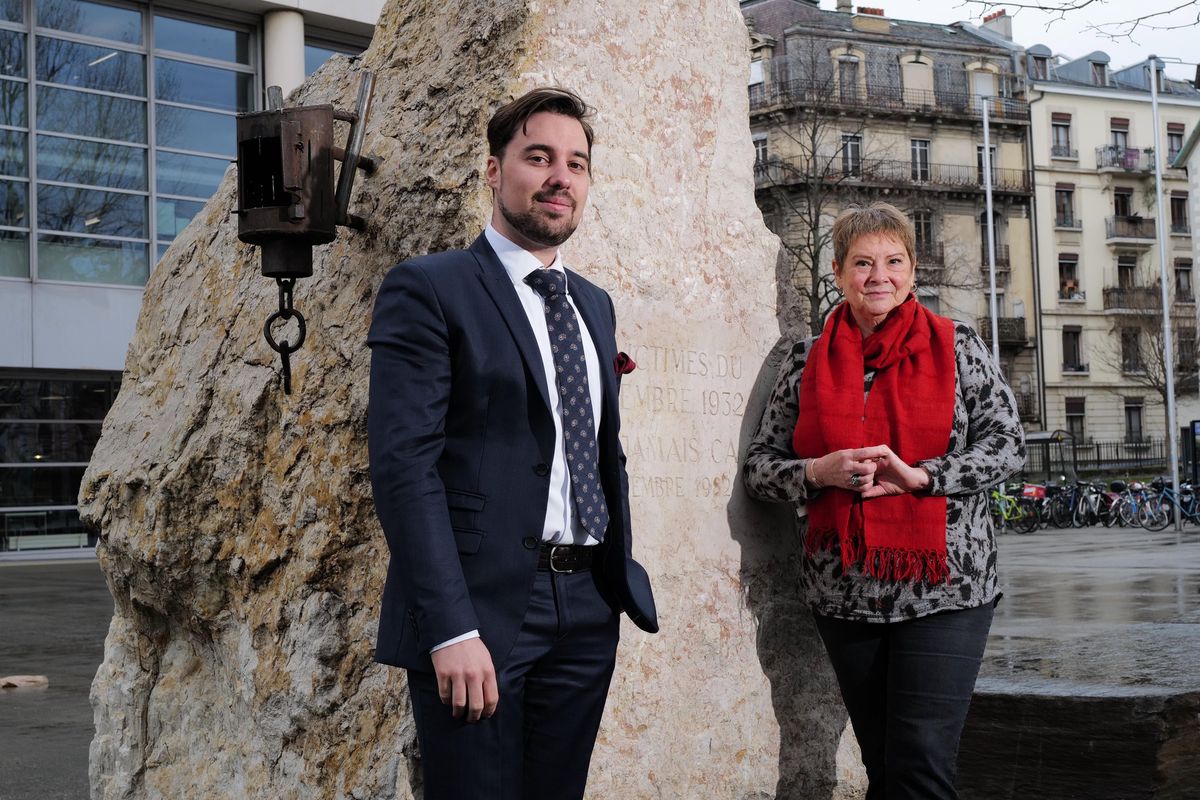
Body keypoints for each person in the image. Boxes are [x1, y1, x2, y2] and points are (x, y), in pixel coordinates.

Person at [367, 87, 657, 800]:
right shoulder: (429, 288)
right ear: (494, 172)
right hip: (483, 611)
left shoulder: (594, 303)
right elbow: (404, 468)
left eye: (577, 163)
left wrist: (611, 584)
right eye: (538, 157)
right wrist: (449, 629)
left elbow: (595, 449)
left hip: (588, 605)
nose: (561, 177)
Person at [743, 202, 1025, 799]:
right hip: (844, 593)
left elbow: (1007, 446)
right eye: (863, 262)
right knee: (885, 771)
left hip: (946, 587)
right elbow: (761, 470)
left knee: (921, 768)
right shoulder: (805, 361)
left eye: (894, 261)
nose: (880, 276)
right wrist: (817, 471)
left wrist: (921, 477)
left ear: (912, 271)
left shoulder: (959, 346)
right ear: (839, 274)